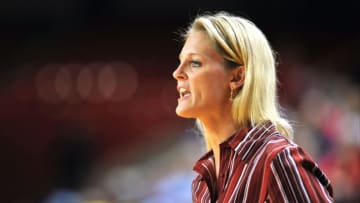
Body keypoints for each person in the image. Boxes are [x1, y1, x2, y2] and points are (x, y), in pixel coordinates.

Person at [172, 11, 334, 202]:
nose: (177, 73)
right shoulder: (203, 181)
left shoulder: (278, 161)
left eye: (195, 63)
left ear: (237, 77)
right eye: (180, 62)